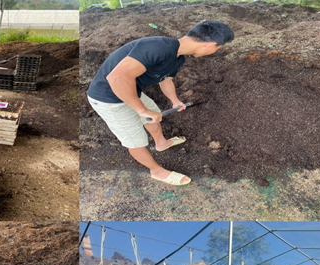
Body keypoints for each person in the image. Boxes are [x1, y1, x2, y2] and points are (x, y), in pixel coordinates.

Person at [87, 20, 234, 186]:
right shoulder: (157, 47)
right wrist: (140, 109)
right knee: (135, 140)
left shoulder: (177, 57)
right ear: (210, 45)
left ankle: (161, 143)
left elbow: (166, 81)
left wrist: (175, 101)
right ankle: (155, 170)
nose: (215, 51)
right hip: (107, 98)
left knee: (153, 114)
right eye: (218, 48)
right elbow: (116, 78)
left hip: (130, 90)